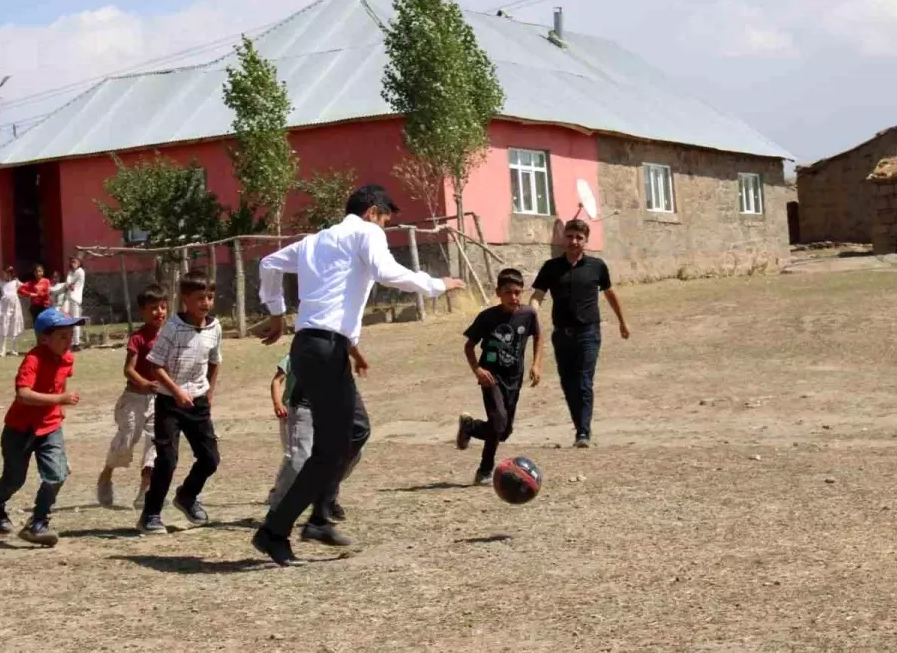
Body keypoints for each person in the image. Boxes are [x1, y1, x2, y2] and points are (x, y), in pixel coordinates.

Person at [251, 184, 464, 566]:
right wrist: (437, 284)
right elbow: (386, 272)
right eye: (385, 219)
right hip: (325, 350)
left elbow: (268, 263)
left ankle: (317, 513)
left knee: (355, 430)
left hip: (311, 348)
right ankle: (277, 529)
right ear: (371, 212)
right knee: (330, 449)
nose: (384, 228)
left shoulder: (313, 241)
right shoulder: (366, 232)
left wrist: (277, 312)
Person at [0, 307, 85, 548]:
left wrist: (59, 410)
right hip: (19, 430)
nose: (69, 341)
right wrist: (60, 400)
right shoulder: (33, 360)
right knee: (15, 479)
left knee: (57, 475)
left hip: (50, 427)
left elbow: (60, 382)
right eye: (63, 336)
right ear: (44, 339)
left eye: (71, 335)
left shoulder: (68, 358)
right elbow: (23, 394)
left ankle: (37, 524)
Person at [530, 219, 630, 448]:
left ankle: (583, 432)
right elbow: (538, 295)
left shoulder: (597, 266)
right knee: (568, 382)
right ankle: (580, 427)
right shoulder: (551, 267)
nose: (574, 241)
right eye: (570, 236)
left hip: (588, 333)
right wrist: (531, 312)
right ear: (564, 238)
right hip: (561, 335)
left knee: (584, 381)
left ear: (586, 241)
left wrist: (622, 322)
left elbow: (610, 294)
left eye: (579, 237)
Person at [137, 269, 222, 535]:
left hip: (197, 402)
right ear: (185, 299)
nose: (206, 303)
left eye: (209, 297)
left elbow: (215, 361)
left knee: (210, 459)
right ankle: (150, 514)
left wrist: (208, 393)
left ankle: (187, 495)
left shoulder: (214, 327)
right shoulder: (172, 327)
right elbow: (155, 365)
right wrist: (176, 391)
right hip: (169, 402)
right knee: (167, 460)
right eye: (200, 297)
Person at [456, 268, 542, 484]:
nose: (514, 297)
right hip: (491, 377)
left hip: (515, 378)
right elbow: (468, 346)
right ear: (498, 292)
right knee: (498, 423)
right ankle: (485, 470)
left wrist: (536, 364)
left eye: (518, 292)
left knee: (504, 432)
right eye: (508, 292)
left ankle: (470, 427)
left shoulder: (528, 315)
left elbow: (539, 337)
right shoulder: (488, 317)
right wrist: (477, 369)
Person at [266, 343, 369, 516]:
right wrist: (278, 403)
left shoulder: (339, 351)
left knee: (354, 450)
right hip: (301, 409)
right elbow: (277, 381)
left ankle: (327, 495)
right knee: (299, 458)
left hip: (331, 409)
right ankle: (277, 505)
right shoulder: (294, 355)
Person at [97, 284, 166, 510]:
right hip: (134, 399)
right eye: (154, 308)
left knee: (155, 443)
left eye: (163, 307)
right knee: (127, 440)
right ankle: (106, 475)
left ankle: (145, 489)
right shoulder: (138, 338)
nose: (160, 312)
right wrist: (145, 383)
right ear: (143, 312)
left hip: (159, 401)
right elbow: (129, 369)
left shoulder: (169, 335)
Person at [0, 265, 25, 357]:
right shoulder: (0, 283)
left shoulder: (16, 282)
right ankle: (2, 349)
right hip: (4, 306)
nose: (6, 274)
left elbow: (25, 286)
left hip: (15, 305)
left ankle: (13, 348)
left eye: (9, 272)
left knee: (14, 324)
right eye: (5, 272)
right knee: (4, 325)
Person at [63, 257, 86, 351]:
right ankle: (70, 342)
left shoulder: (80, 271)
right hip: (68, 298)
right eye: (71, 262)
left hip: (75, 298)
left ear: (79, 263)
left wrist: (68, 284)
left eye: (74, 262)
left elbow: (70, 283)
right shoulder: (71, 272)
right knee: (67, 320)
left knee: (75, 320)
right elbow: (67, 284)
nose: (72, 264)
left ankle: (76, 343)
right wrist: (68, 284)